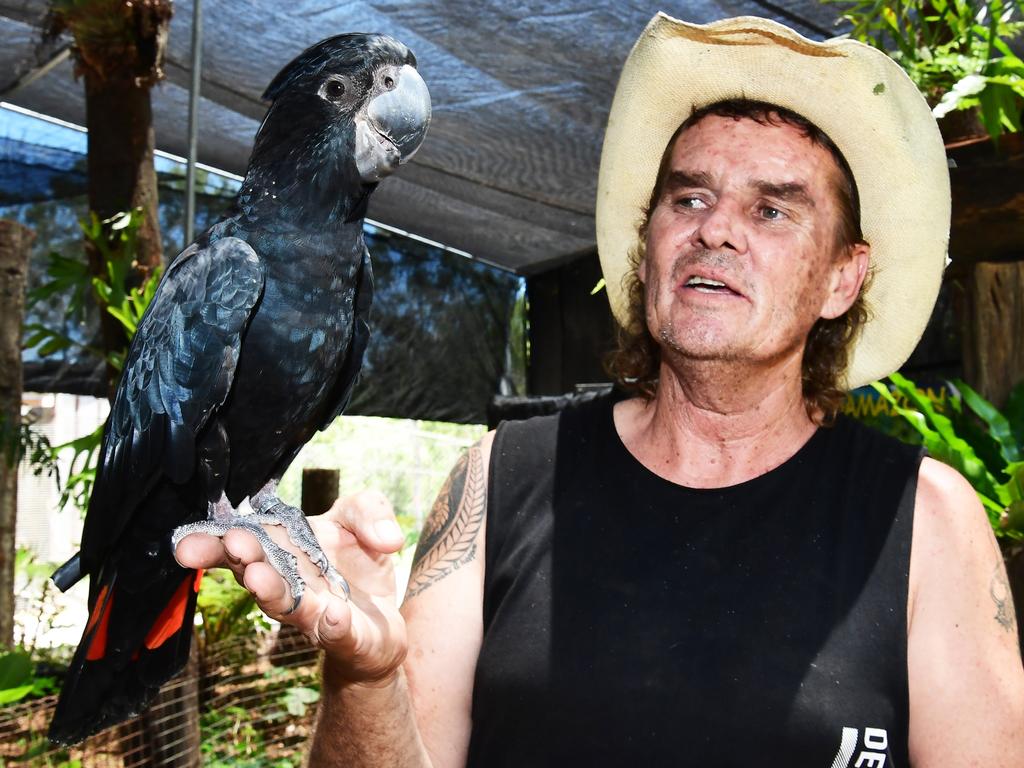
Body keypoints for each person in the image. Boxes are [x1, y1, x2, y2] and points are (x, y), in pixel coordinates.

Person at [176, 14, 1024, 767]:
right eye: (688, 196)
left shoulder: (925, 521)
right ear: (647, 246)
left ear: (844, 278)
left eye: (773, 210)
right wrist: (366, 671)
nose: (715, 228)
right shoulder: (497, 485)